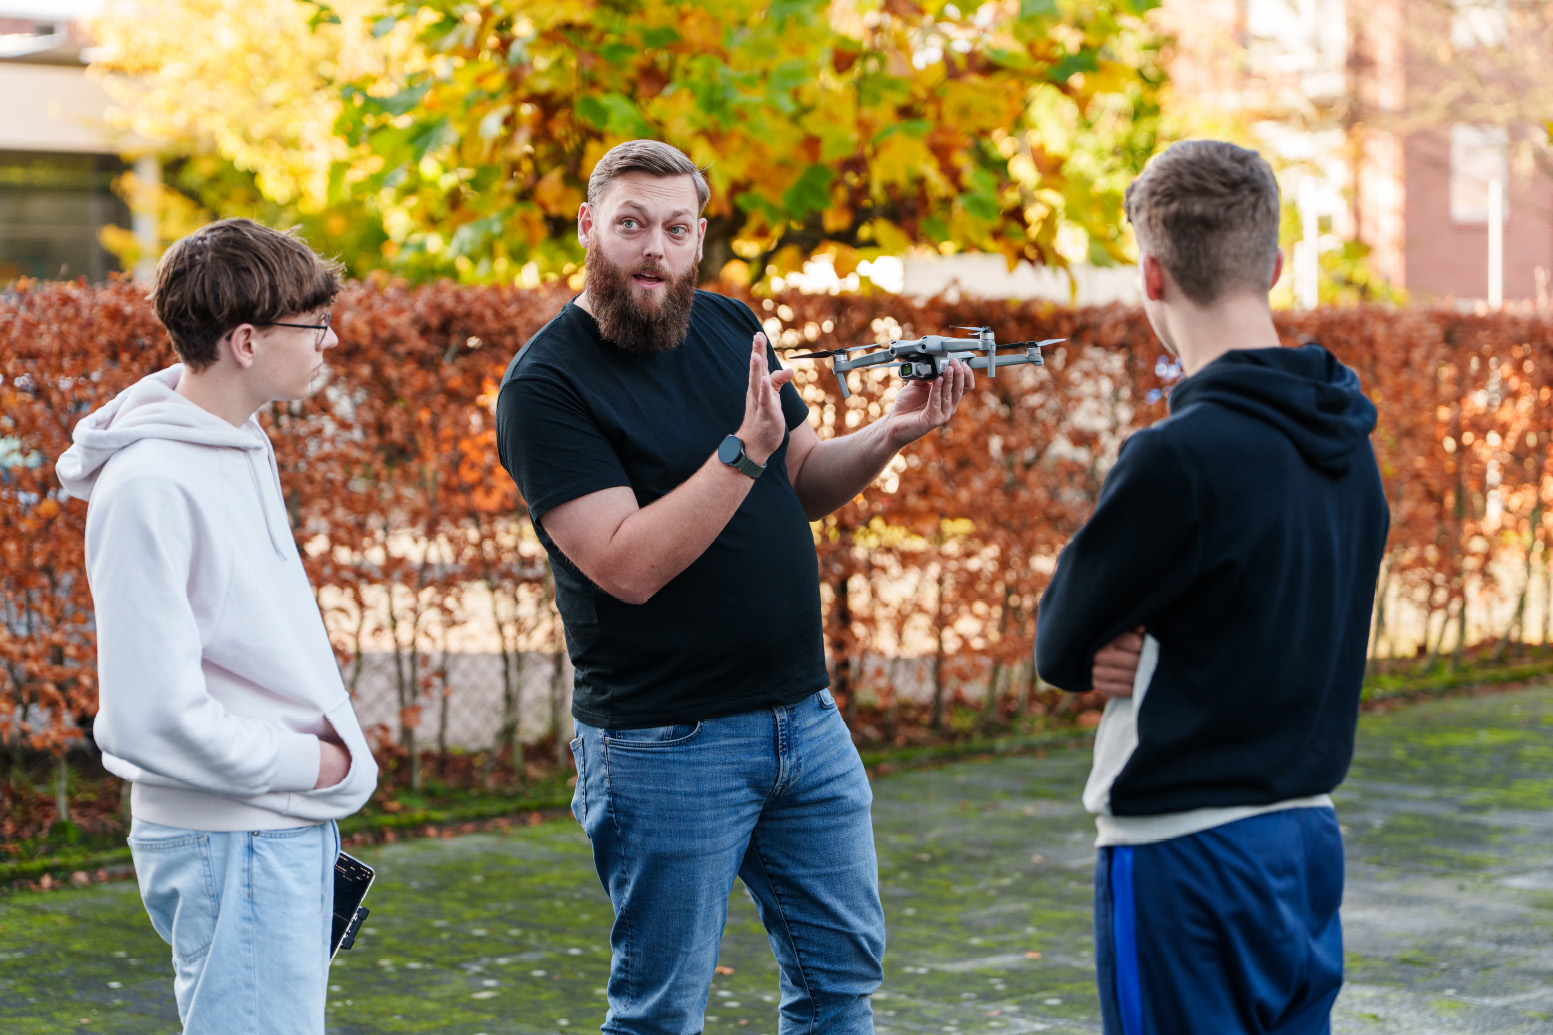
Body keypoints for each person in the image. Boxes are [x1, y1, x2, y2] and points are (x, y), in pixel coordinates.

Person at [495, 139, 972, 1034]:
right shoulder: (545, 385)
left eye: (676, 229)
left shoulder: (726, 326)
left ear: (699, 236)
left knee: (839, 988)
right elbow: (625, 565)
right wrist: (741, 451)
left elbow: (802, 479)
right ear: (590, 226)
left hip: (804, 719)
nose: (654, 249)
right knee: (659, 1012)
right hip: (663, 743)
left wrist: (889, 434)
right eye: (632, 224)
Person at [1034, 140, 1390, 1035]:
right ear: (1270, 264)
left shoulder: (1175, 459)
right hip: (1304, 842)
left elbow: (1057, 644)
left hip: (1179, 854)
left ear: (1150, 275)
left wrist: (1132, 639)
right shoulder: (1348, 443)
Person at [56, 218, 379, 1035]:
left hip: (273, 826)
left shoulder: (236, 440)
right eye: (311, 326)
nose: (328, 341)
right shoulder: (151, 485)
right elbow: (150, 715)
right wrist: (308, 762)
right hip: (234, 837)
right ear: (244, 340)